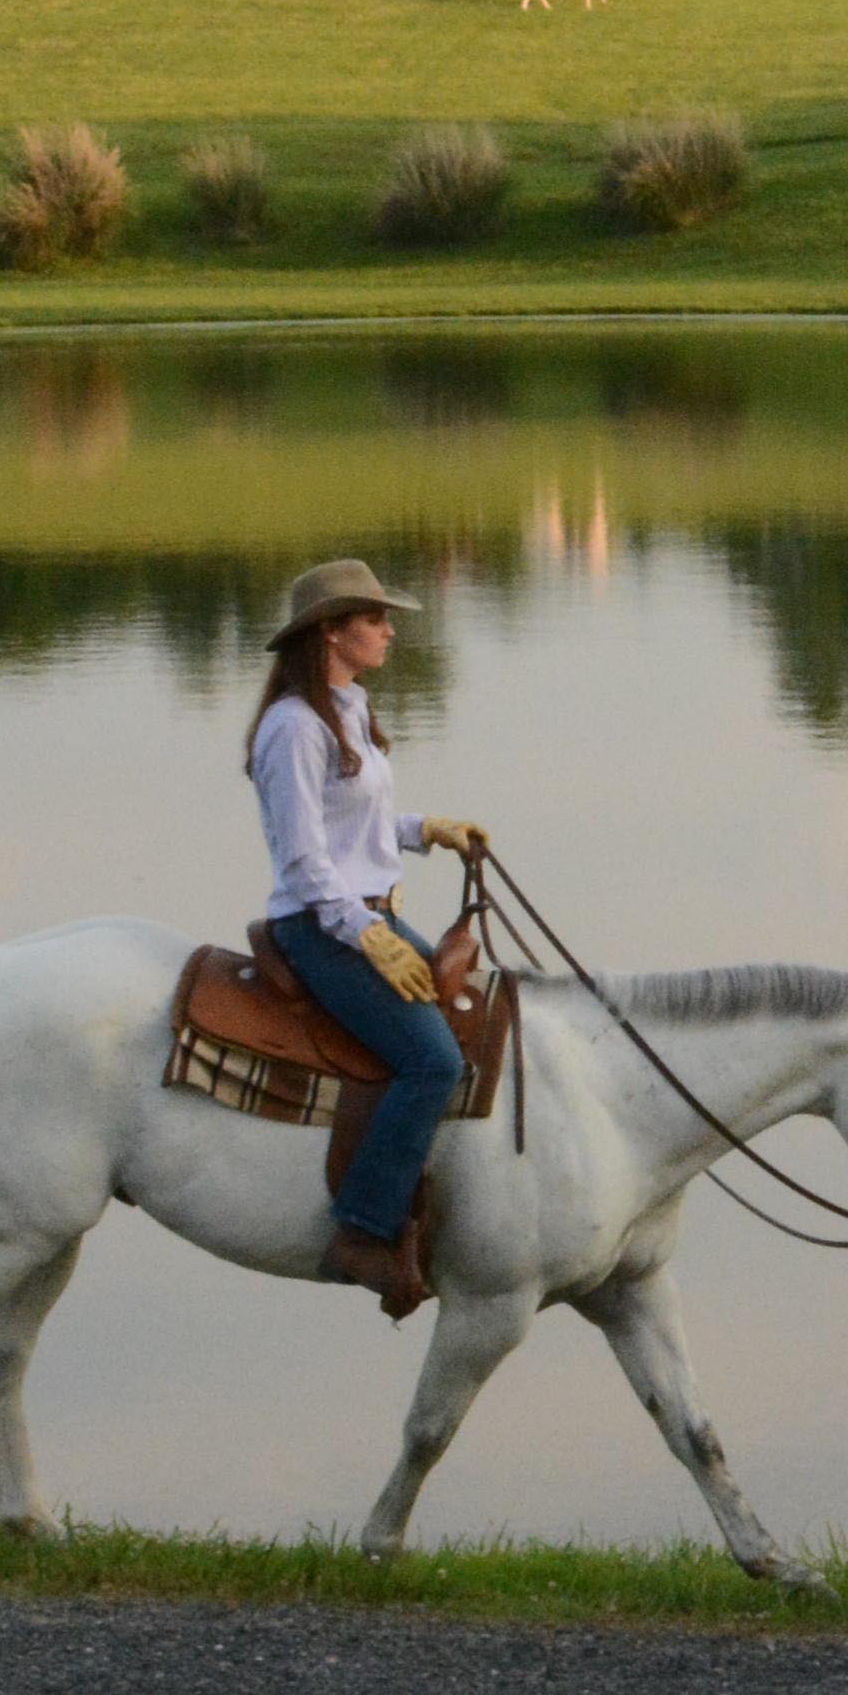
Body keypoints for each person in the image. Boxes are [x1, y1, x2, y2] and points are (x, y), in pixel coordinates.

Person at [247, 557, 491, 1312]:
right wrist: (363, 931)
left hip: (367, 914)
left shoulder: (349, 707)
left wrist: (424, 830)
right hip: (323, 925)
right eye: (375, 618)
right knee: (430, 1061)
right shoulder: (293, 726)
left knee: (470, 1014)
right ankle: (362, 1228)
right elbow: (302, 854)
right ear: (330, 631)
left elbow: (350, 825)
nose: (390, 629)